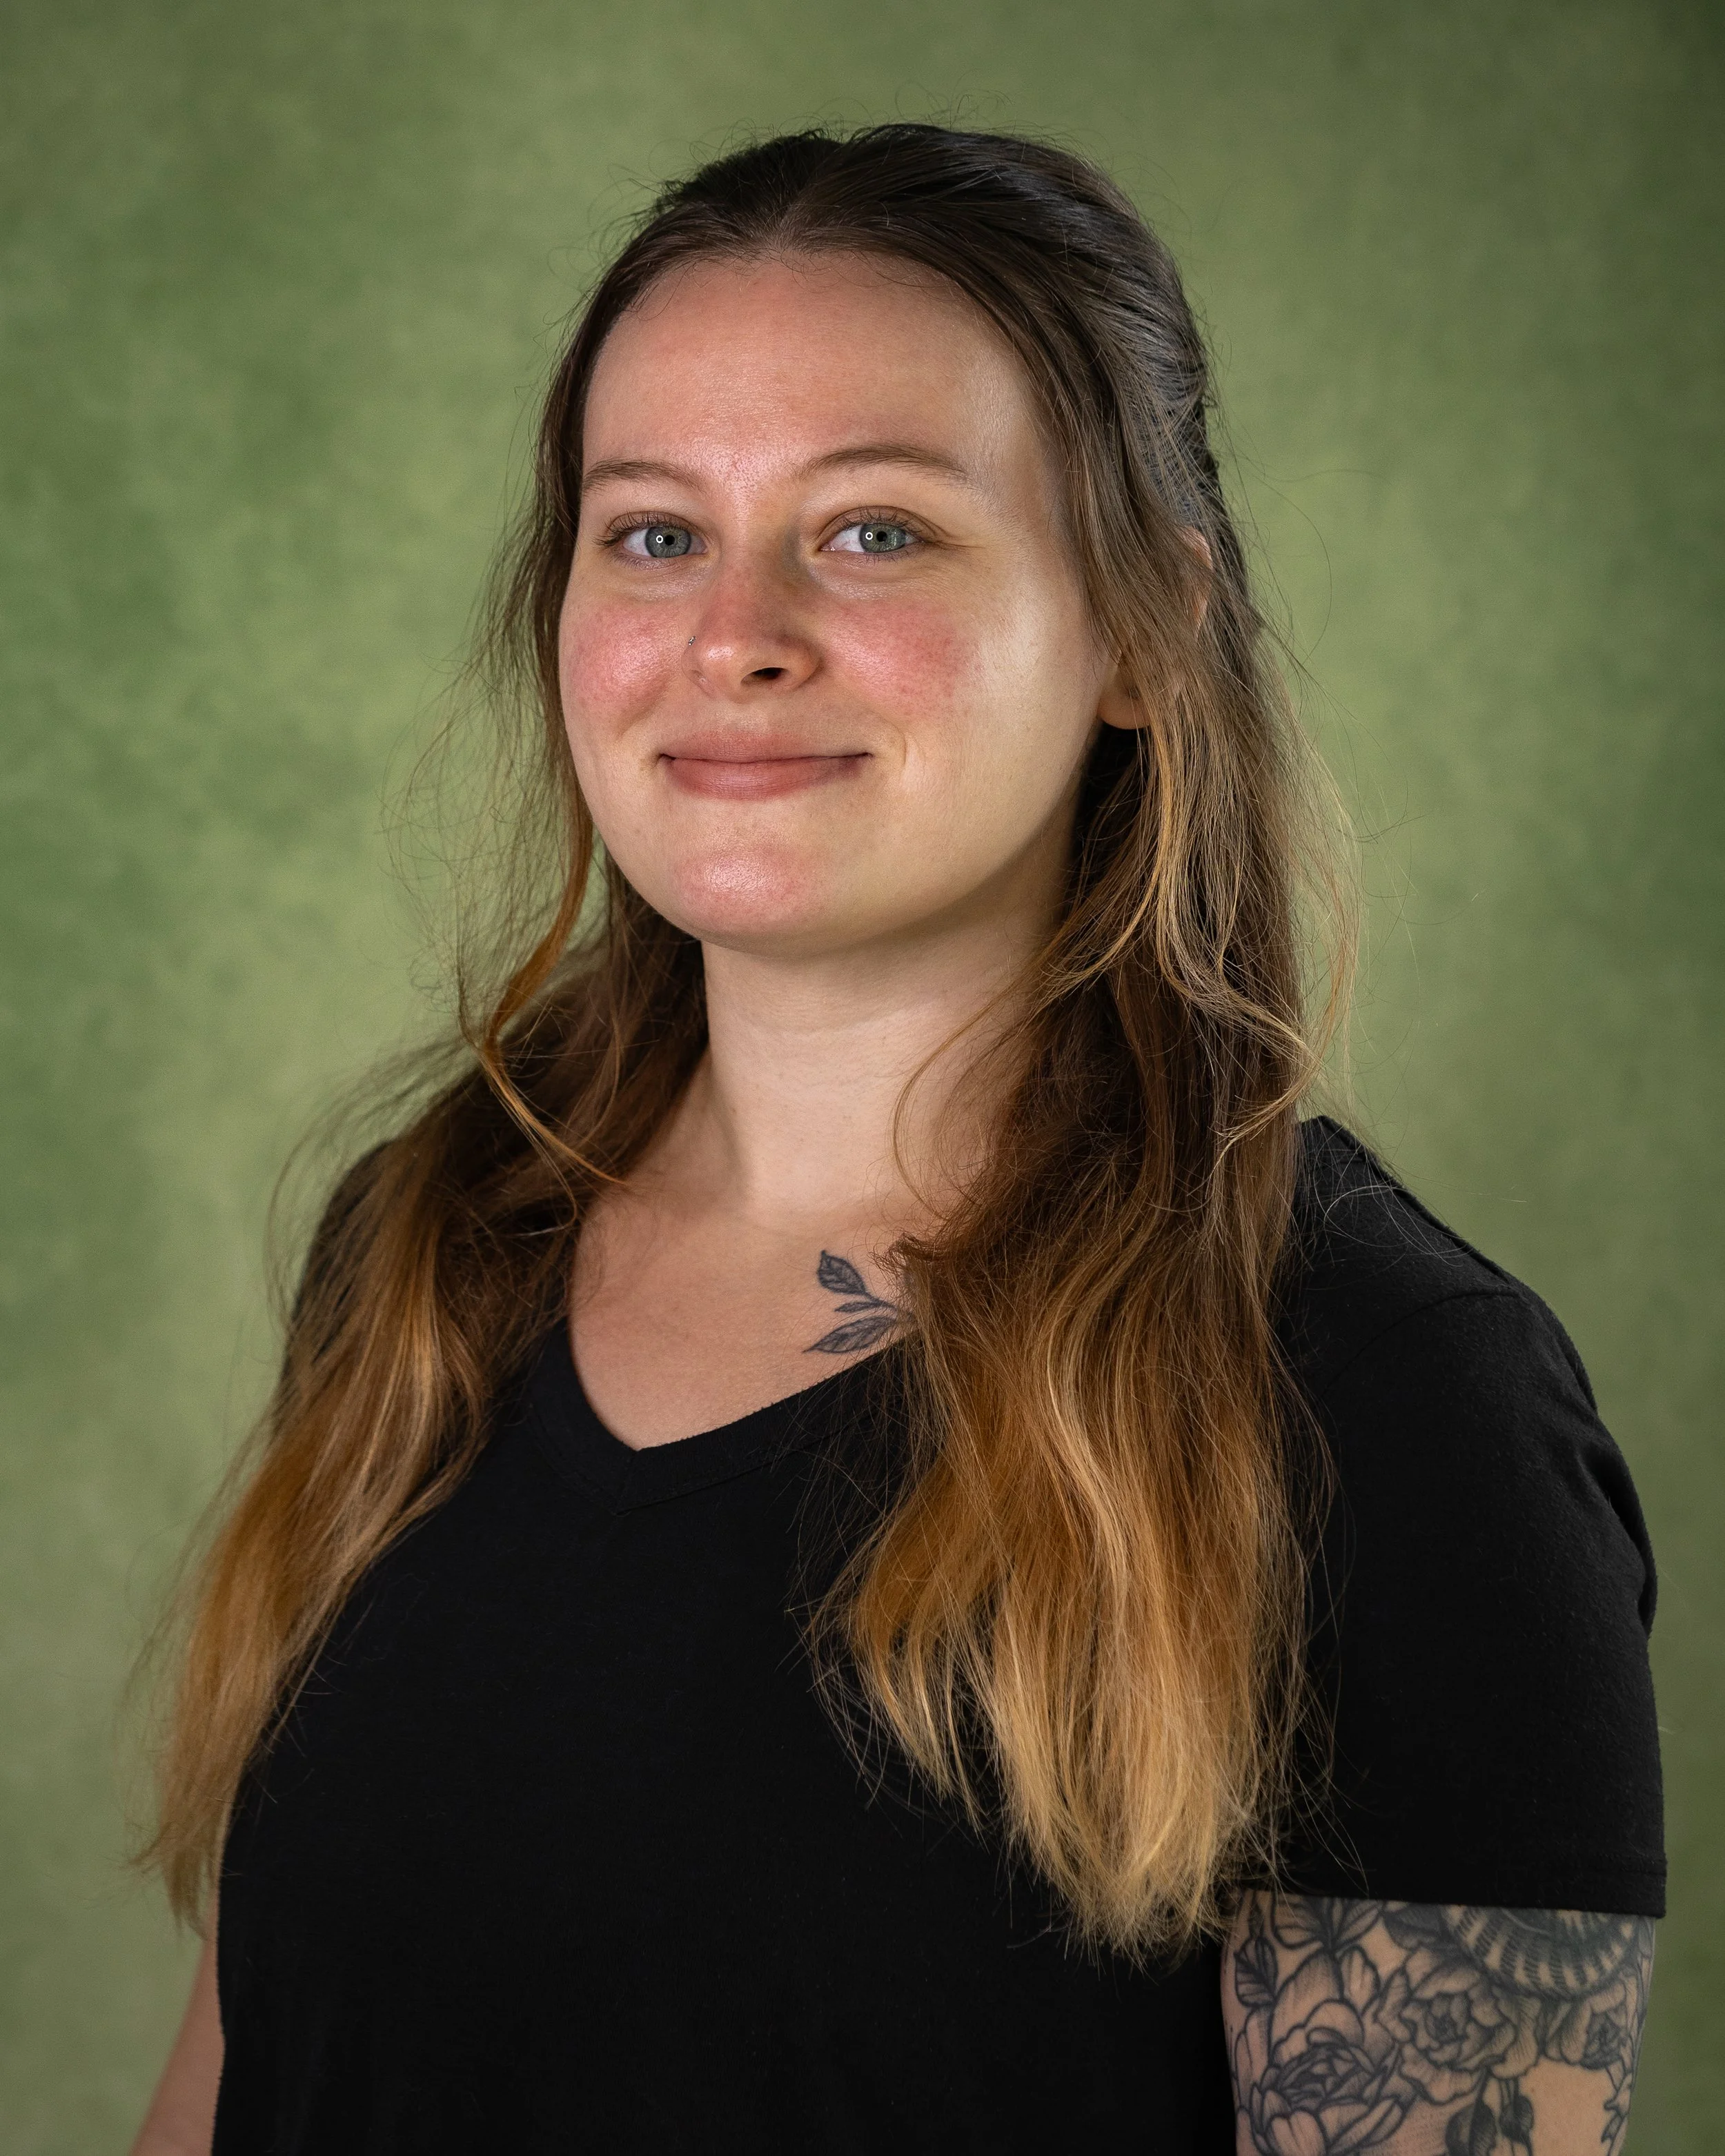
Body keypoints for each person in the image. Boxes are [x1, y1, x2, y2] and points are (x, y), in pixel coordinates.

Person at [130, 124, 1662, 2155]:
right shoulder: (432, 1244)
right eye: (653, 532)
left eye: (874, 533)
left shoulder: (1388, 1400)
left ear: (1140, 632)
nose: (733, 632)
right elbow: (243, 2071)